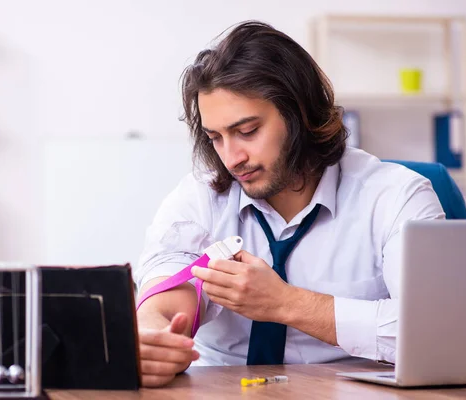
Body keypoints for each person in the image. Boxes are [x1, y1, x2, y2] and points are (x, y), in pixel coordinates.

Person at [134, 20, 445, 388]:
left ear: (300, 114)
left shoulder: (394, 196)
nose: (232, 158)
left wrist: (286, 303)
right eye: (215, 137)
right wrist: (153, 338)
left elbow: (435, 332)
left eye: (247, 131)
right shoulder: (199, 199)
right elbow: (166, 293)